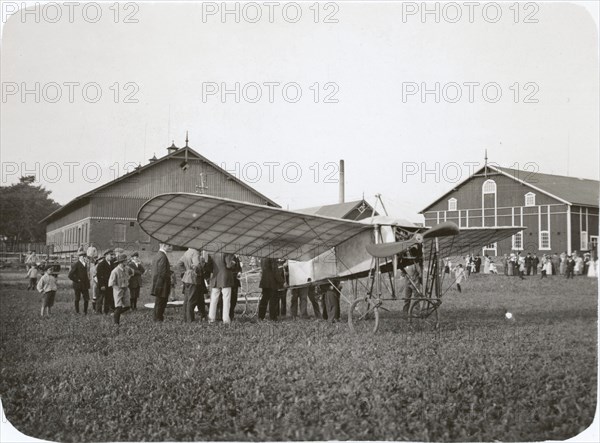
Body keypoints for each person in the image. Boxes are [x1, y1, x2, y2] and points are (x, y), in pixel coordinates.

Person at [207, 252, 236, 324]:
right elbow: (229, 265)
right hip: (225, 278)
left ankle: (211, 318)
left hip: (215, 278)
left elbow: (209, 267)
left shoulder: (211, 253)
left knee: (213, 300)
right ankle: (226, 319)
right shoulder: (227, 252)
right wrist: (234, 263)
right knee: (226, 300)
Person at [178, 248, 203, 322]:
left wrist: (185, 272)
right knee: (192, 300)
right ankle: (190, 319)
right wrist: (199, 271)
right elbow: (196, 266)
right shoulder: (195, 253)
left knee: (186, 299)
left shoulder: (187, 252)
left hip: (186, 278)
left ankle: (185, 318)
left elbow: (179, 263)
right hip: (193, 279)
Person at [109, 253, 133, 325]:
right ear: (121, 262)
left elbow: (130, 274)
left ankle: (115, 314)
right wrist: (118, 289)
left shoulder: (126, 269)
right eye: (125, 261)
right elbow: (111, 283)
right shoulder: (115, 271)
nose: (127, 262)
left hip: (125, 289)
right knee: (118, 307)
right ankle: (116, 323)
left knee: (127, 306)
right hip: (118, 290)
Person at [258, 257, 285, 321]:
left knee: (264, 300)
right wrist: (282, 281)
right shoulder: (271, 257)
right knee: (273, 300)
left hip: (264, 282)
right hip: (272, 283)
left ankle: (261, 317)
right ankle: (273, 318)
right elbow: (275, 271)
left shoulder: (263, 257)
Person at [96, 250, 115, 314]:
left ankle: (106, 311)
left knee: (108, 298)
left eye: (112, 255)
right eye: (110, 255)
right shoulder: (101, 264)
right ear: (106, 255)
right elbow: (99, 276)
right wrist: (102, 285)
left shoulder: (112, 264)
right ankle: (98, 311)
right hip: (103, 284)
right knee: (100, 298)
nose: (111, 256)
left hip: (109, 284)